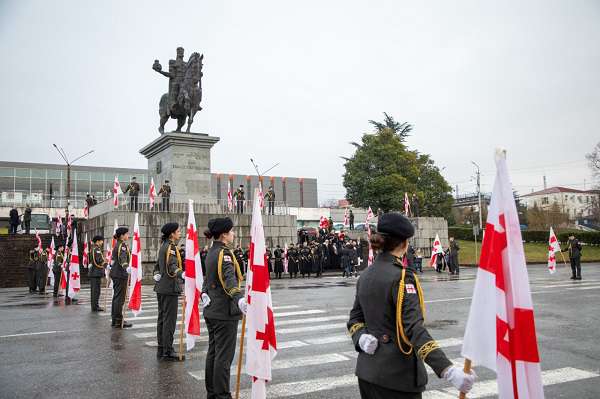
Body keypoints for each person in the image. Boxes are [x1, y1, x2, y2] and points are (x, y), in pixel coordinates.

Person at [347, 213, 476, 398]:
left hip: (367, 374)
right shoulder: (402, 277)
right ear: (405, 243)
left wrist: (360, 337)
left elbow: (355, 320)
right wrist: (447, 369)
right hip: (397, 378)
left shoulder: (366, 274)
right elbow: (414, 329)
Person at [201, 217, 246, 399]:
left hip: (212, 309)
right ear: (224, 234)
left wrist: (204, 293)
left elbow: (208, 278)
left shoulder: (212, 251)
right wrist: (239, 298)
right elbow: (229, 279)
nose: (233, 234)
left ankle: (212, 391)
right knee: (224, 356)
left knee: (213, 352)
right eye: (232, 231)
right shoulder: (224, 253)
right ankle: (222, 394)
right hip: (223, 311)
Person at [153, 222, 185, 361]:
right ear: (172, 234)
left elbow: (158, 265)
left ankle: (162, 347)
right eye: (178, 231)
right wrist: (181, 274)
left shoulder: (164, 246)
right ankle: (168, 350)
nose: (179, 233)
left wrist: (156, 273)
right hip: (169, 288)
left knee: (162, 319)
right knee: (169, 320)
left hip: (162, 287)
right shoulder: (171, 247)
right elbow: (172, 265)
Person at [110, 227, 132, 328]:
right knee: (120, 299)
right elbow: (123, 259)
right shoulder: (121, 246)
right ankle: (118, 320)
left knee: (116, 297)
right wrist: (126, 267)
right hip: (120, 274)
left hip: (116, 273)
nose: (128, 235)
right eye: (127, 234)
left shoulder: (118, 244)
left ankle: (115, 319)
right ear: (122, 236)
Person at [89, 235, 107, 312]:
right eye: (101, 241)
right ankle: (95, 306)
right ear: (98, 241)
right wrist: (106, 265)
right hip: (96, 272)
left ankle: (95, 306)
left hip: (95, 272)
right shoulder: (96, 249)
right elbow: (99, 260)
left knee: (95, 290)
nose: (102, 242)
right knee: (96, 291)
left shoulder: (94, 248)